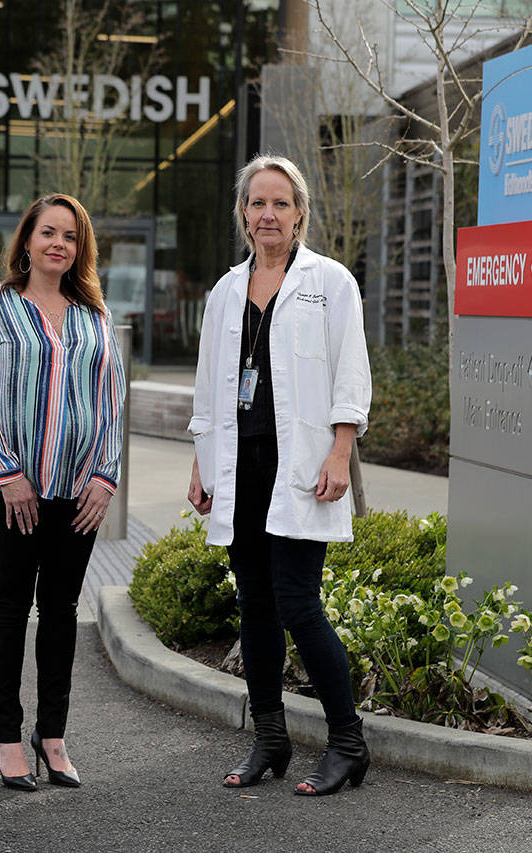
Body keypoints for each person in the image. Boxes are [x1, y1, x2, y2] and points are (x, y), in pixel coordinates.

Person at [187, 155, 372, 796]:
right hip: (241, 466)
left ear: (300, 215)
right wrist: (201, 463)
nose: (268, 215)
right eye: (257, 204)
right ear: (244, 215)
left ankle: (348, 742)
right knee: (255, 606)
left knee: (297, 603)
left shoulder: (331, 282)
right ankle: (270, 736)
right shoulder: (224, 292)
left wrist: (340, 449)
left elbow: (351, 371)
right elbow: (211, 385)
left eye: (280, 204)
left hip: (300, 465)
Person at [0, 193, 126, 792]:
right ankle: (8, 737)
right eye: (48, 232)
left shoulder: (95, 317)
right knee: (10, 607)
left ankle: (51, 736)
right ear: (27, 240)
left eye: (71, 236)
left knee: (60, 613)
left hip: (78, 493)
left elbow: (111, 403)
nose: (59, 243)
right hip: (11, 492)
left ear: (80, 249)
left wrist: (106, 479)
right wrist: (7, 472)